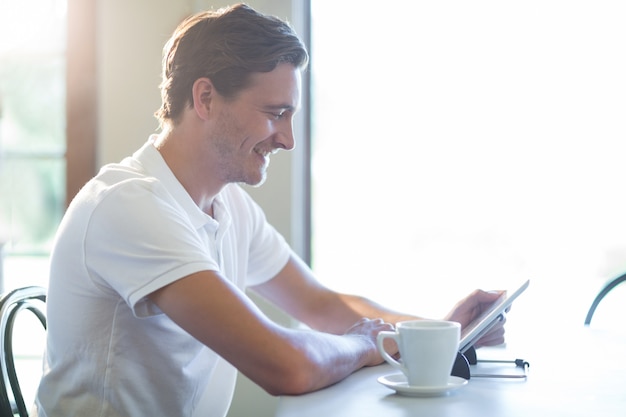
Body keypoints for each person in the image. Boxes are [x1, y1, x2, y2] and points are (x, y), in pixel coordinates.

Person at [34, 4, 506, 417]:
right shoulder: (129, 205)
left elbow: (323, 305)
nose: (287, 139)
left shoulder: (229, 205)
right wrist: (364, 345)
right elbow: (286, 367)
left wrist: (441, 332)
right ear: (205, 98)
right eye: (275, 113)